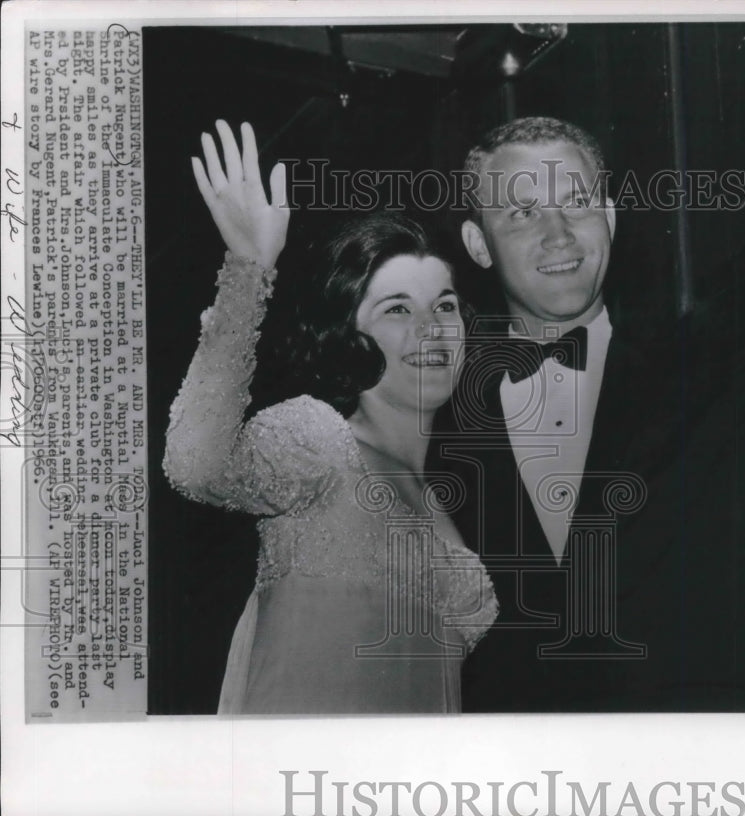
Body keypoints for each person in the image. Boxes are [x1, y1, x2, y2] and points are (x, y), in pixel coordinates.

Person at [430, 48, 745, 711]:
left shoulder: (708, 369)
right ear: (478, 243)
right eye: (522, 213)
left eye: (577, 202)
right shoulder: (438, 425)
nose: (558, 233)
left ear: (610, 216)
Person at [163, 121, 497, 714]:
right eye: (397, 308)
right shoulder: (317, 439)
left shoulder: (449, 505)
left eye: (443, 305)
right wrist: (248, 267)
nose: (431, 329)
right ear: (351, 335)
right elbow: (194, 463)